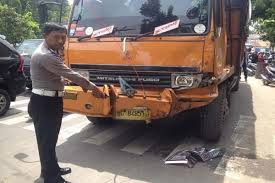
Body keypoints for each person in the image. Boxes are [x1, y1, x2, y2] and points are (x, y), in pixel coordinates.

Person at [30, 23, 105, 183]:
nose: (60, 41)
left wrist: (60, 80)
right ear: (45, 35)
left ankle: (52, 169)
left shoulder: (51, 51)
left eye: (63, 38)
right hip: (44, 103)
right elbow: (71, 74)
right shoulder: (45, 55)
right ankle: (51, 177)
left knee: (50, 140)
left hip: (51, 100)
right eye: (56, 37)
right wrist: (92, 88)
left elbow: (56, 74)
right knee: (47, 142)